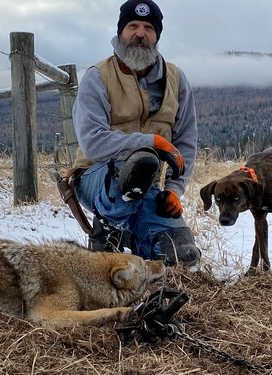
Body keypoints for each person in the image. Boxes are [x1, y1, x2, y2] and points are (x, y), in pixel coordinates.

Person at [71, 0, 200, 266]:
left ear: (157, 36)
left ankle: (131, 238)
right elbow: (93, 143)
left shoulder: (176, 79)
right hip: (95, 179)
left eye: (148, 28)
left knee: (182, 254)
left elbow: (186, 141)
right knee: (141, 162)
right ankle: (105, 235)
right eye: (132, 26)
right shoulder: (98, 77)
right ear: (120, 33)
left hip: (147, 184)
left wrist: (175, 189)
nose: (140, 34)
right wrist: (151, 142)